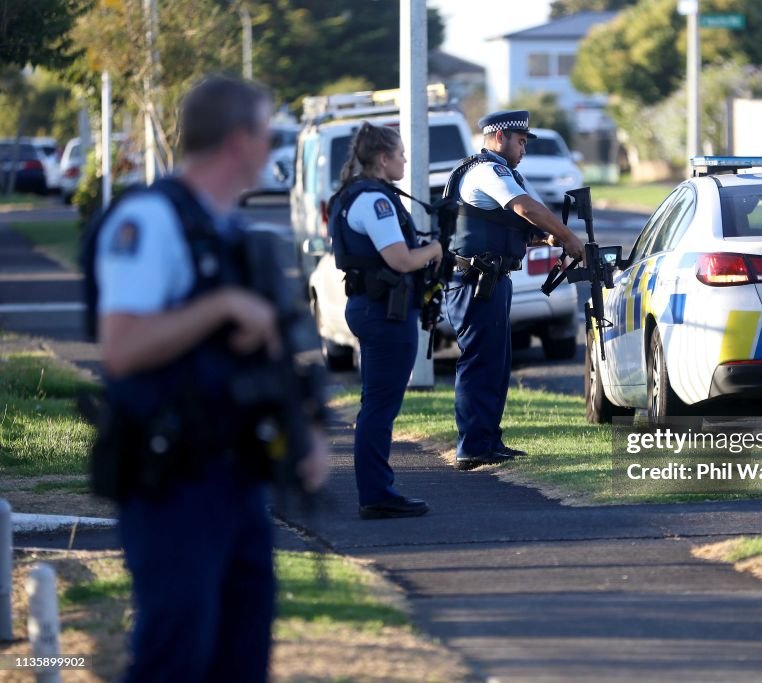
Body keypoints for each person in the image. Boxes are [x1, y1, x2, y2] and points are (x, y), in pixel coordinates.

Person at [91, 75, 330, 682]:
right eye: (269, 134)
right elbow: (122, 348)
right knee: (176, 656)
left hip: (237, 476)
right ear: (239, 140)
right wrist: (221, 308)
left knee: (241, 656)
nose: (273, 148)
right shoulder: (150, 220)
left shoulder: (227, 230)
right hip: (173, 479)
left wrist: (305, 433)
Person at [443, 110, 585, 470]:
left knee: (495, 364)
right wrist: (568, 237)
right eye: (520, 141)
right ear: (499, 136)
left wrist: (544, 236)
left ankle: (487, 440)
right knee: (480, 363)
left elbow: (507, 221)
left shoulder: (498, 172)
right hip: (477, 282)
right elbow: (524, 207)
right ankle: (473, 446)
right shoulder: (488, 171)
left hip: (490, 281)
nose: (523, 149)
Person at [329, 122, 441, 519]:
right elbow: (400, 259)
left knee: (376, 405)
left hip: (376, 309)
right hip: (384, 313)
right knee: (379, 407)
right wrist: (434, 250)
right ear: (382, 158)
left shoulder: (355, 195)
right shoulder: (373, 200)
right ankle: (377, 494)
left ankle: (378, 489)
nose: (405, 160)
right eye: (401, 154)